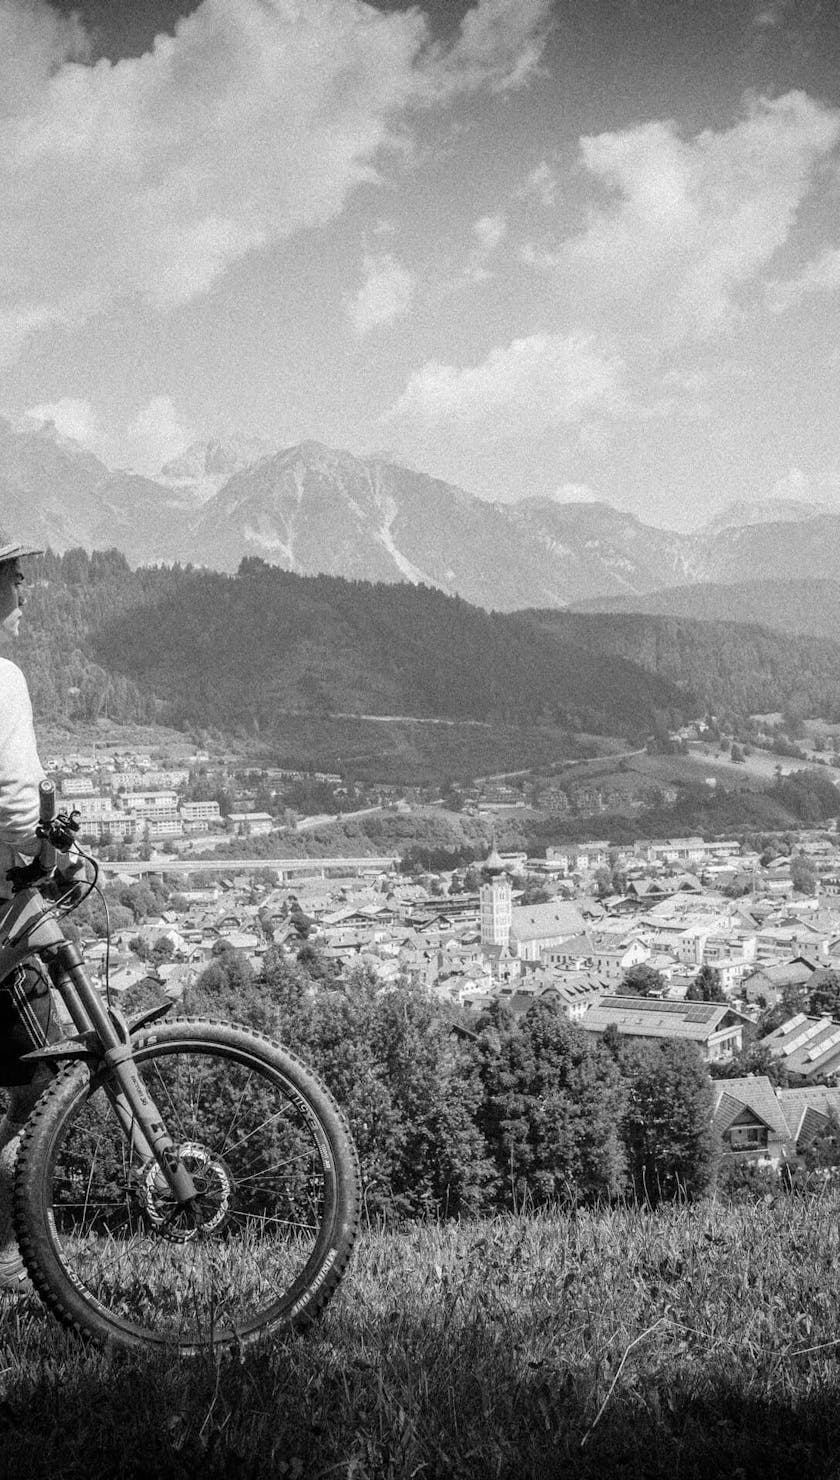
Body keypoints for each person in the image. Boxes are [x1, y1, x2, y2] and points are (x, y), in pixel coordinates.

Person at [0, 528, 79, 1292]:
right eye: (15, 576)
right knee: (43, 1080)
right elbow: (20, 808)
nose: (24, 591)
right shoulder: (3, 679)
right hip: (0, 909)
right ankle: (14, 1260)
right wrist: (43, 859)